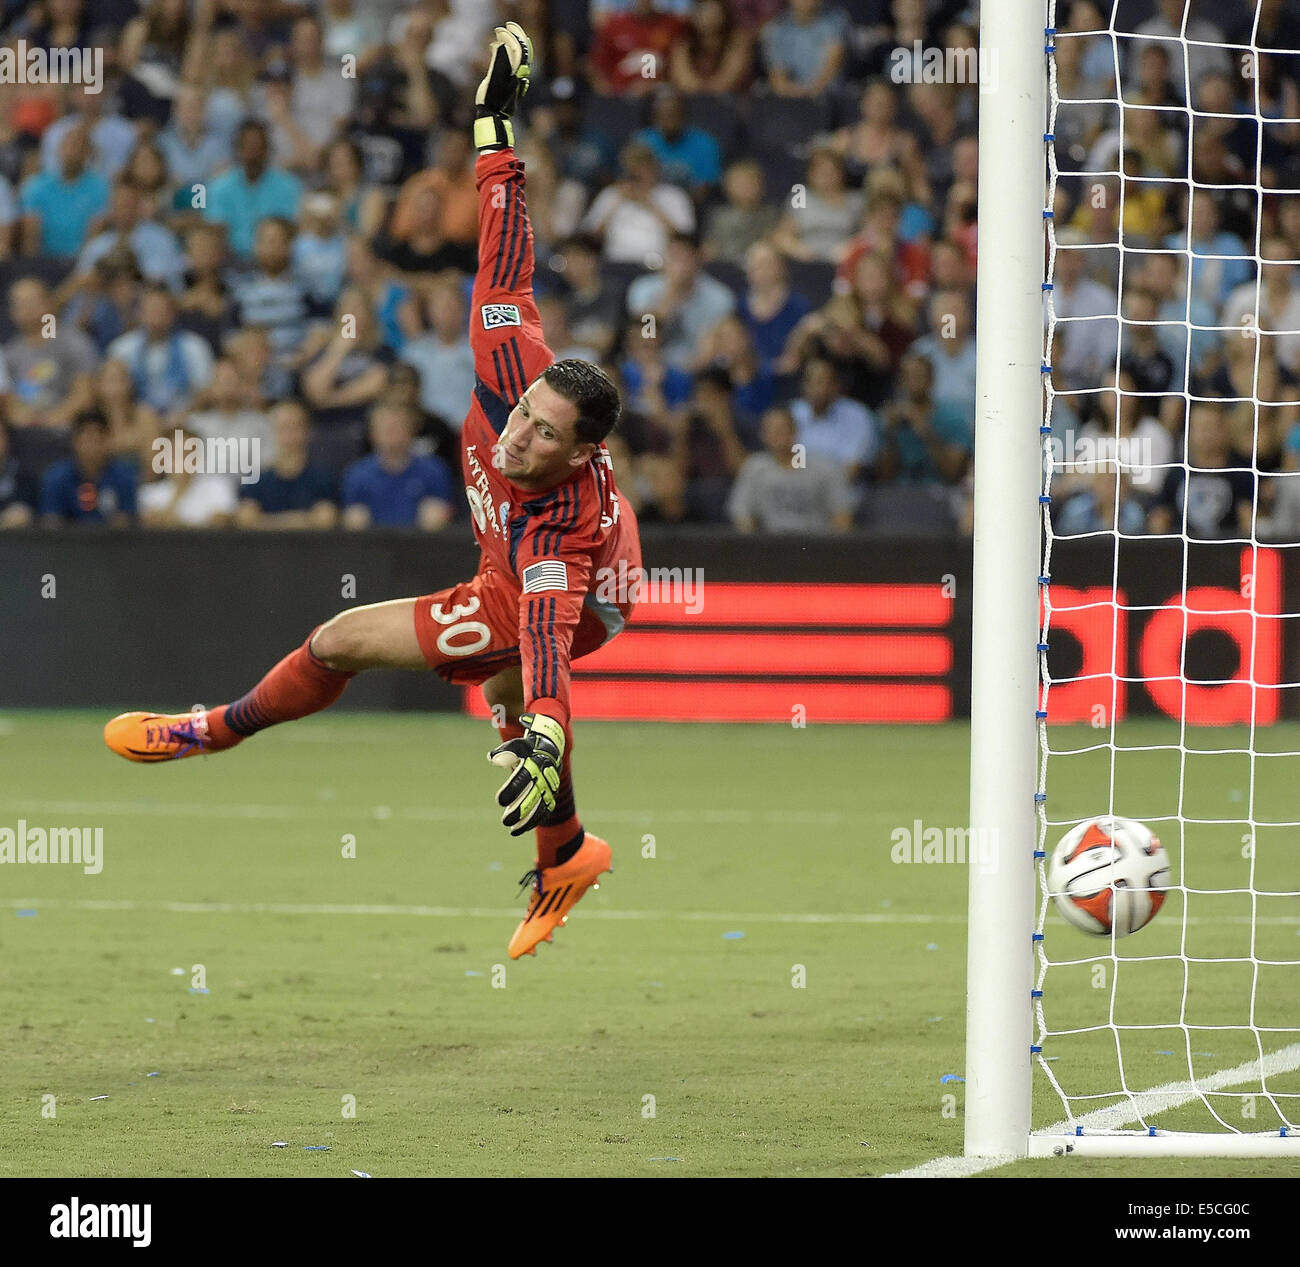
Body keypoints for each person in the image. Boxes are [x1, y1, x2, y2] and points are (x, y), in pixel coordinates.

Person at [105, 23, 641, 963]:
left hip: (586, 593)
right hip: (503, 565)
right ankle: (216, 731)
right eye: (523, 415)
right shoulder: (508, 351)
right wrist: (490, 123)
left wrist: (549, 731)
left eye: (545, 436)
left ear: (579, 452)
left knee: (522, 688)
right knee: (337, 642)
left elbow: (554, 637)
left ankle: (561, 840)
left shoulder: (559, 529)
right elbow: (506, 241)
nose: (517, 434)